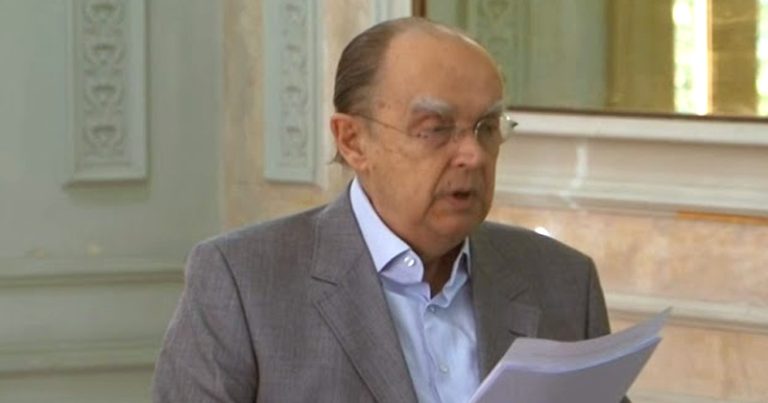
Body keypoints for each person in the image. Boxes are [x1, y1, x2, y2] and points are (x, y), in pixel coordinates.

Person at [153, 17, 618, 403]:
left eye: (487, 127)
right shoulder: (244, 282)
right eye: (435, 128)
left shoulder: (563, 281)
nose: (473, 155)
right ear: (353, 141)